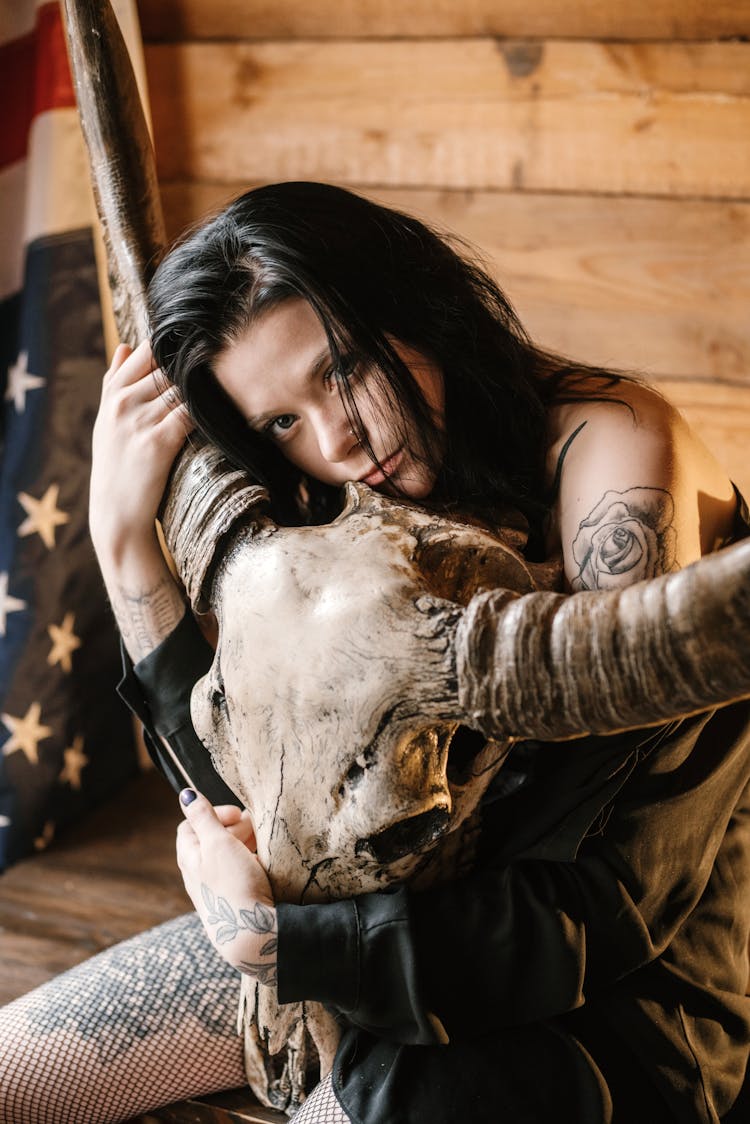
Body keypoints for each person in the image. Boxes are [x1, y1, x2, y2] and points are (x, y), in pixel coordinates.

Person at [0, 180, 748, 1123]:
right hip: (330, 940)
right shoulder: (335, 498)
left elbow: (609, 894)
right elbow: (250, 792)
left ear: (416, 304)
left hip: (594, 1013)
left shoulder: (612, 452)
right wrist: (122, 543)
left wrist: (276, 945)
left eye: (343, 368)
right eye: (280, 422)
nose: (335, 440)